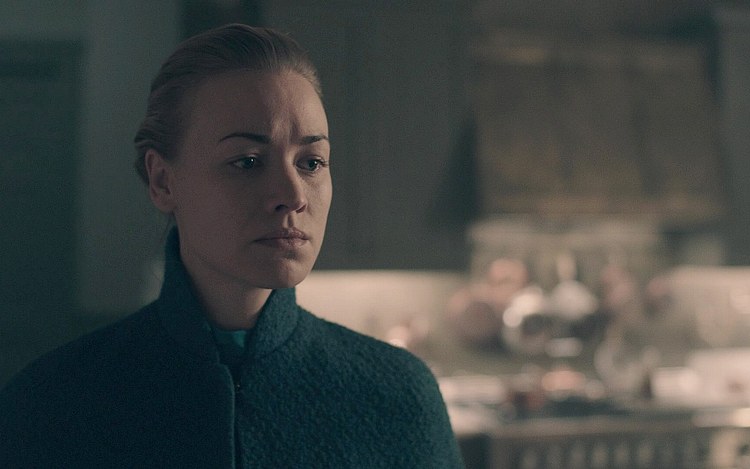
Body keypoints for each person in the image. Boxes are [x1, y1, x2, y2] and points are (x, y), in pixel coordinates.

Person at [0, 24, 463, 468]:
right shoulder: (52, 405)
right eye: (247, 161)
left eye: (311, 162)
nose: (293, 195)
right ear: (163, 181)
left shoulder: (398, 396)